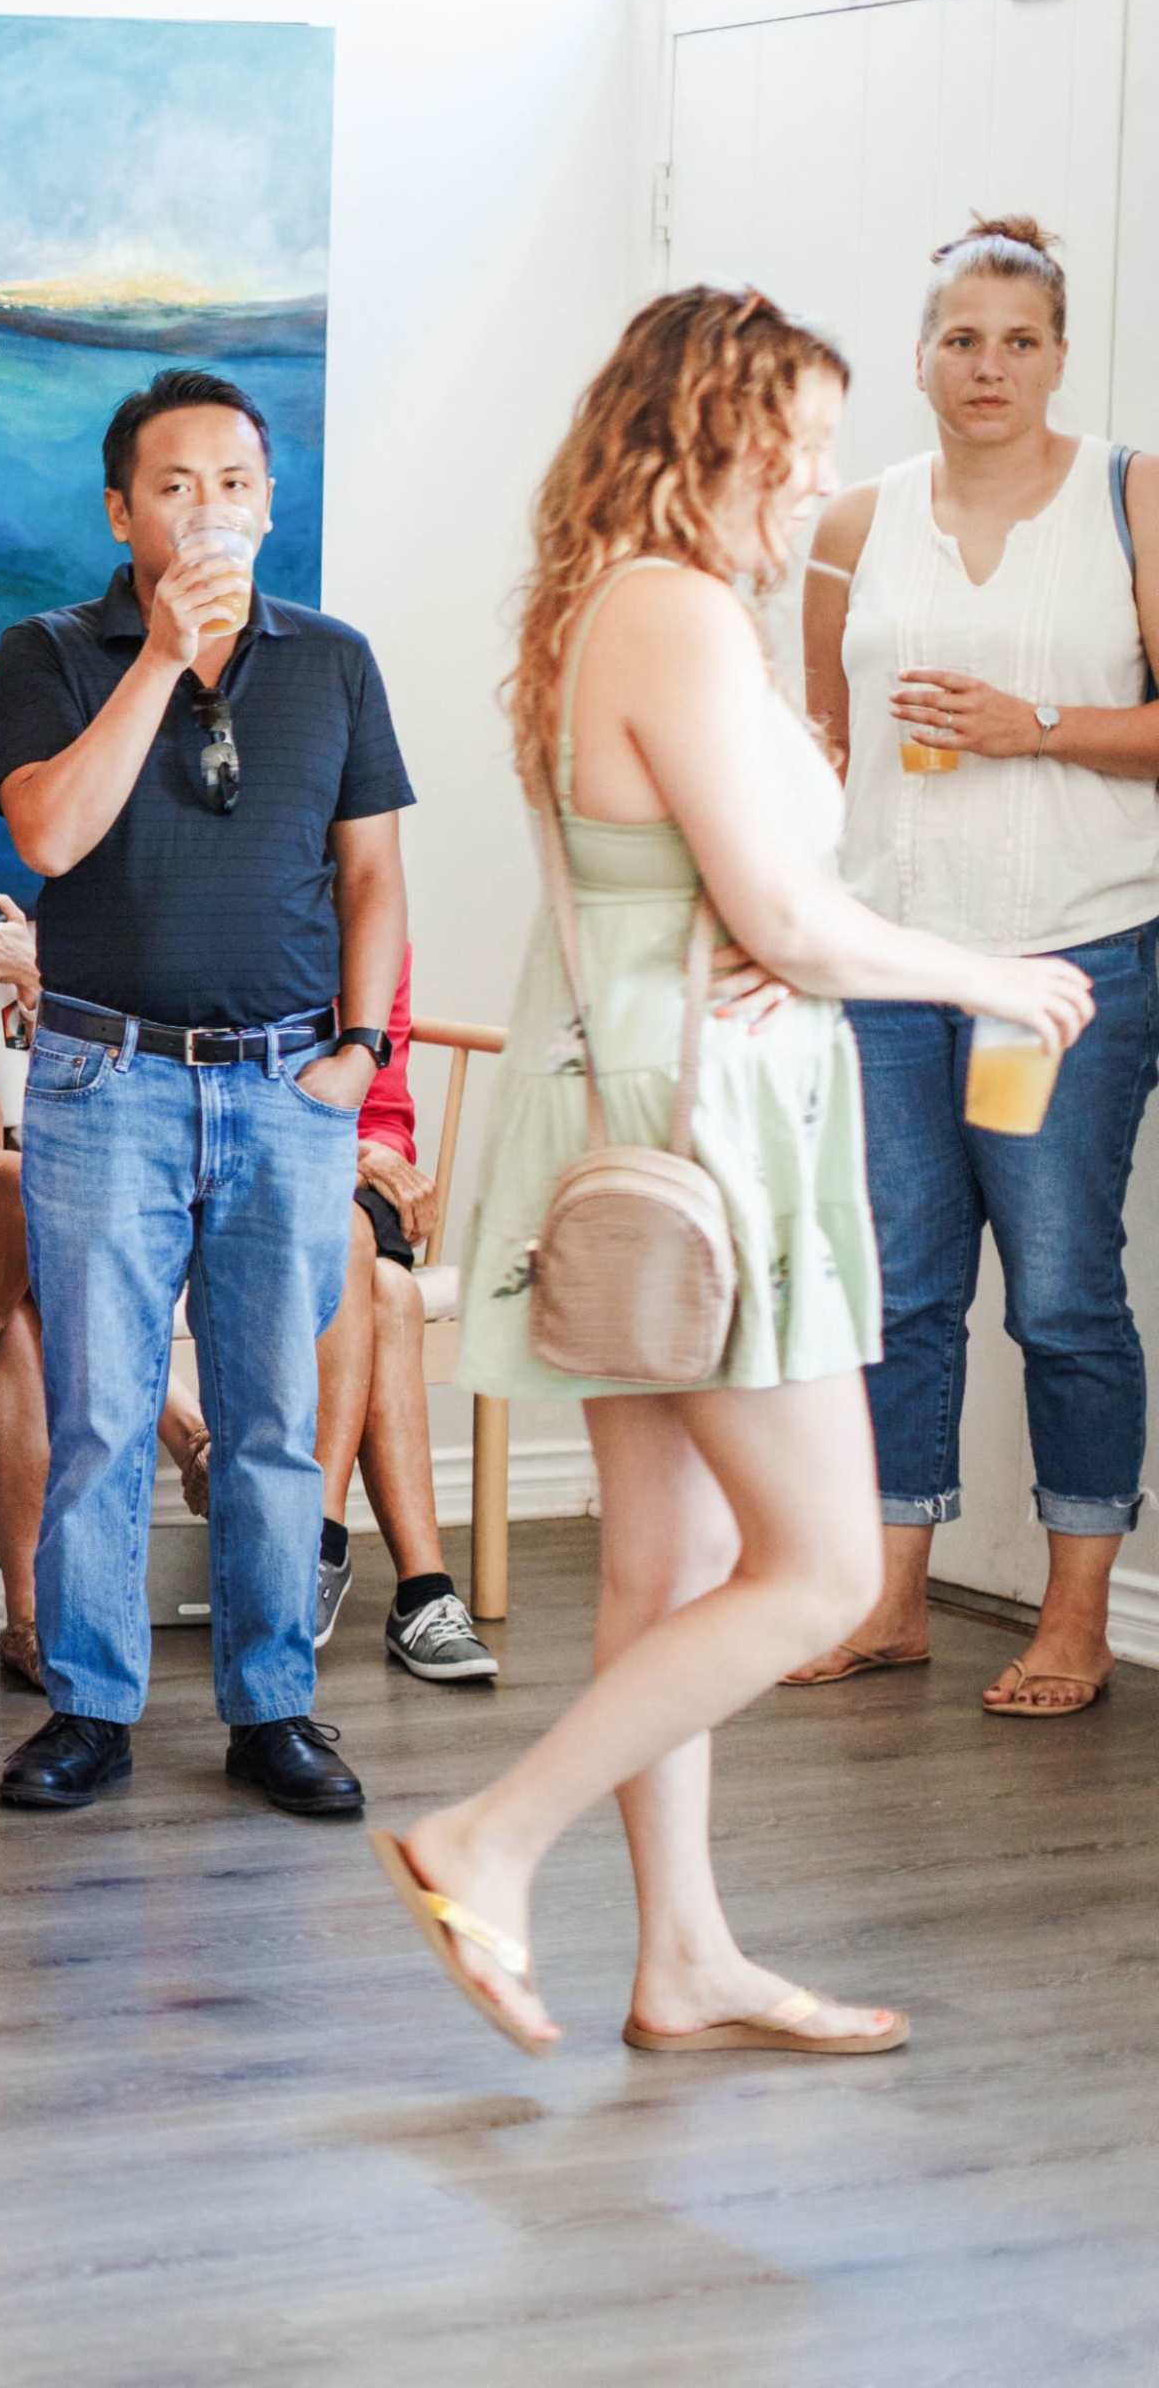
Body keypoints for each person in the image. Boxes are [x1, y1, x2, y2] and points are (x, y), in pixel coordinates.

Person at [389, 287, 1090, 2059]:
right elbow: (778, 916)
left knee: (669, 1561)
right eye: (797, 448)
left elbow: (712, 898)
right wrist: (988, 970)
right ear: (713, 438)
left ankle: (683, 1955)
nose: (817, 484)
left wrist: (790, 921)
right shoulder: (678, 614)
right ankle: (494, 1835)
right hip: (708, 1132)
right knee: (824, 1568)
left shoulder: (589, 607)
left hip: (629, 1107)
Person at [0, 368, 412, 1819]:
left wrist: (361, 1052)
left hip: (290, 1085)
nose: (209, 510)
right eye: (175, 486)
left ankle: (273, 1707)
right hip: (106, 1077)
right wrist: (160, 659)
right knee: (105, 1411)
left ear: (271, 503)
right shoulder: (49, 650)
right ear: (122, 512)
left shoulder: (337, 661)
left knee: (274, 1417)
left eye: (234, 484)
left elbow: (371, 875)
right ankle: (91, 1709)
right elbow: (47, 830)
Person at [789, 216, 1159, 1719]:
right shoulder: (854, 523)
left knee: (1063, 1292)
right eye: (962, 339)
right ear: (923, 354)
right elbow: (818, 745)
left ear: (1060, 355)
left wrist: (1042, 730)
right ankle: (891, 1599)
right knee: (900, 1289)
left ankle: (1075, 1613)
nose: (988, 366)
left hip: (1057, 968)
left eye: (1018, 340)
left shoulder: (1132, 500)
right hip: (891, 964)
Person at [0, 902, 295, 1693]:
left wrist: (36, 977)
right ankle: (188, 1432)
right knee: (25, 1197)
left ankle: (33, 1621)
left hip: (3, 1248)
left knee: (24, 1325)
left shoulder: (46, 946)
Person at [309, 947, 493, 1680]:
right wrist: (348, 1152)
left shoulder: (371, 919)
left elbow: (386, 1107)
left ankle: (317, 1548)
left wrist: (371, 1150)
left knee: (385, 1278)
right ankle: (421, 1593)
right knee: (387, 1284)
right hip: (269, 1169)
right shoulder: (232, 900)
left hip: (356, 1170)